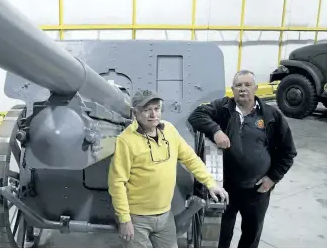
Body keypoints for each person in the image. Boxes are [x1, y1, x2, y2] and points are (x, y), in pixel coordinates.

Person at [187, 69, 297, 248]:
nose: (243, 89)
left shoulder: (271, 116)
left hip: (257, 190)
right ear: (232, 89)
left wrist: (272, 178)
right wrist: (216, 131)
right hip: (226, 189)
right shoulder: (223, 107)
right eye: (238, 85)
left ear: (255, 88)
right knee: (222, 235)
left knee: (251, 234)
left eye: (247, 85)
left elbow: (288, 151)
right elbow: (196, 115)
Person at [108, 89, 229, 248]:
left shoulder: (170, 130)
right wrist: (124, 219)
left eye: (156, 109)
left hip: (165, 215)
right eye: (147, 110)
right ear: (135, 113)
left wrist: (210, 183)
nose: (153, 114)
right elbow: (117, 183)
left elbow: (190, 158)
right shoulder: (126, 140)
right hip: (137, 218)